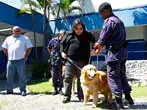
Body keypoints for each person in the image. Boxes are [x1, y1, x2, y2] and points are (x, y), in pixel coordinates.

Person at [94, 2, 134, 109]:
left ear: (106, 10)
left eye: (101, 13)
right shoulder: (119, 21)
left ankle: (118, 104)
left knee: (113, 77)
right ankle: (129, 98)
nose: (101, 16)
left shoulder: (109, 21)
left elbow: (103, 37)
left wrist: (98, 45)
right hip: (123, 53)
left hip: (114, 55)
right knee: (121, 75)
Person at [60, 19, 95, 103]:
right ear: (73, 28)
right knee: (68, 78)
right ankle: (67, 96)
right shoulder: (68, 35)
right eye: (77, 28)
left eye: (81, 28)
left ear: (83, 28)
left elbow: (94, 41)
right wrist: (62, 52)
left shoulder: (87, 35)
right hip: (70, 61)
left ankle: (81, 96)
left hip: (83, 61)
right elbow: (62, 43)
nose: (79, 30)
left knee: (81, 79)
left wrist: (93, 49)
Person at [2, 26, 33, 96]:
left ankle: (23, 90)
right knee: (9, 76)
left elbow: (30, 47)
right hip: (10, 61)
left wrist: (26, 56)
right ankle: (9, 90)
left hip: (20, 60)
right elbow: (4, 48)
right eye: (16, 30)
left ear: (20, 31)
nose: (17, 32)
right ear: (12, 31)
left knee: (22, 76)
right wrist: (8, 55)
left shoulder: (25, 38)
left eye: (18, 30)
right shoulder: (8, 38)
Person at [47, 30, 65, 95]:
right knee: (54, 75)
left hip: (61, 60)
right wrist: (52, 54)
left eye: (63, 34)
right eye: (61, 34)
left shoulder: (64, 41)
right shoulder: (53, 40)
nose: (62, 36)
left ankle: (60, 89)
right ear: (59, 34)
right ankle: (55, 89)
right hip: (54, 60)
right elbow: (49, 48)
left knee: (60, 76)